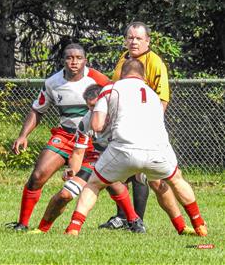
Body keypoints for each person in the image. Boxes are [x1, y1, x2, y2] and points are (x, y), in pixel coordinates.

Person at [64, 58, 207, 237]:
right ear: (144, 76)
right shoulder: (153, 94)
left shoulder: (111, 88)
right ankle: (198, 224)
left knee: (93, 184)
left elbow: (97, 125)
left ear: (122, 74)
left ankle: (73, 228)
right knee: (175, 180)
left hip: (124, 149)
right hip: (157, 148)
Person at [32, 85, 195, 235]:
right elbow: (78, 152)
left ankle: (181, 227)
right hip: (99, 160)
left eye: (97, 106)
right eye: (90, 107)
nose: (94, 110)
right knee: (65, 194)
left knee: (158, 183)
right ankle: (42, 229)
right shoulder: (86, 122)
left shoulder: (125, 114)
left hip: (128, 156)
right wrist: (73, 171)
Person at [6, 43, 109, 231]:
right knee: (37, 176)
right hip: (66, 136)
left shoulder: (98, 79)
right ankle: (22, 223)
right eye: (69, 58)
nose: (74, 62)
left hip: (92, 139)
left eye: (78, 58)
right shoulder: (53, 82)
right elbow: (38, 110)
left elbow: (115, 100)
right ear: (63, 60)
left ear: (85, 60)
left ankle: (132, 220)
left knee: (113, 182)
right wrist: (23, 135)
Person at [99, 21, 170, 230]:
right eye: (130, 37)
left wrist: (152, 125)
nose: (134, 42)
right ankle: (123, 216)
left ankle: (137, 220)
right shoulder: (124, 59)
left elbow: (162, 98)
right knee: (121, 170)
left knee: (141, 172)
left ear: (147, 41)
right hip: (122, 124)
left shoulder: (155, 62)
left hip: (144, 126)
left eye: (138, 38)